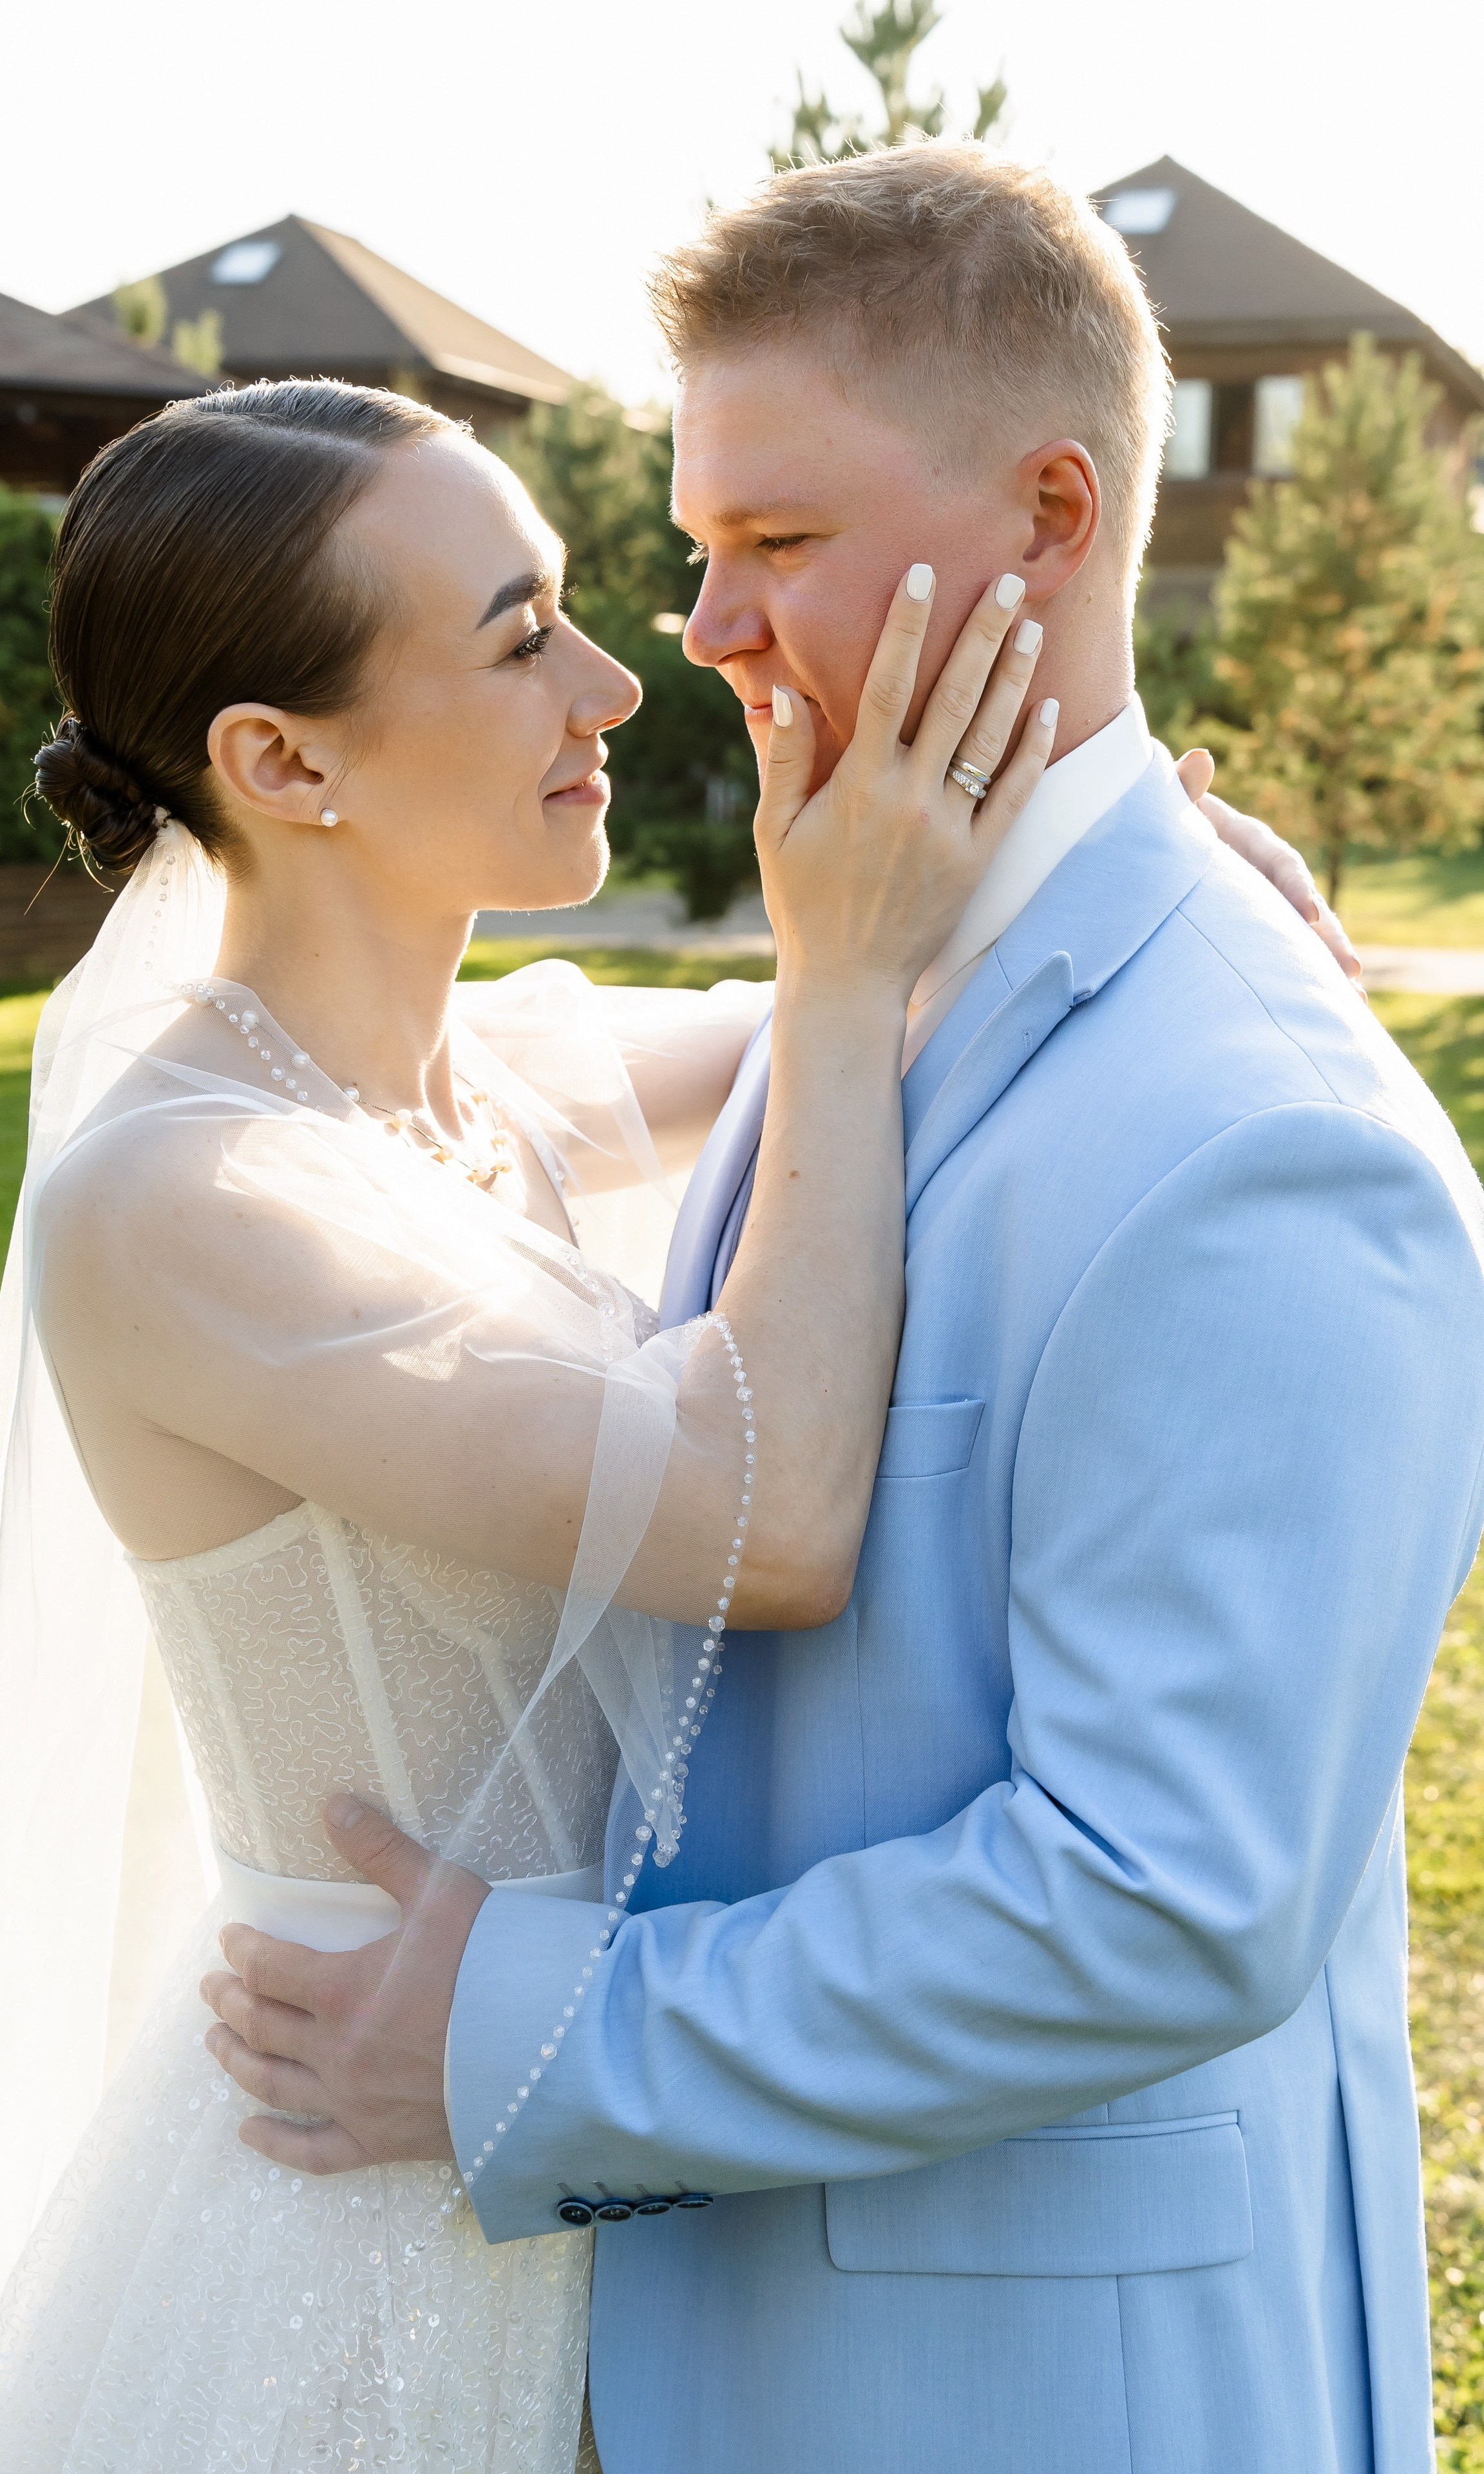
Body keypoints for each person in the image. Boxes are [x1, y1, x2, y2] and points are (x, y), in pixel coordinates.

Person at [196, 149, 1484, 2474]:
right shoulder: (851, 969)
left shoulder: (1264, 1135)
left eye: (771, 543)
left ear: (1057, 518)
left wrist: (519, 2034)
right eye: (698, 544)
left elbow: (1163, 1902)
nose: (699, 625)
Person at [0, 370, 1125, 2473]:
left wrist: (1137, 850)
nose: (618, 685)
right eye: (520, 633)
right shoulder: (182, 1201)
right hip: (367, 2200)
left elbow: (925, 987)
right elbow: (772, 1516)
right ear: (281, 761)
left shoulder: (497, 1074)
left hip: (595, 2099)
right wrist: (827, 983)